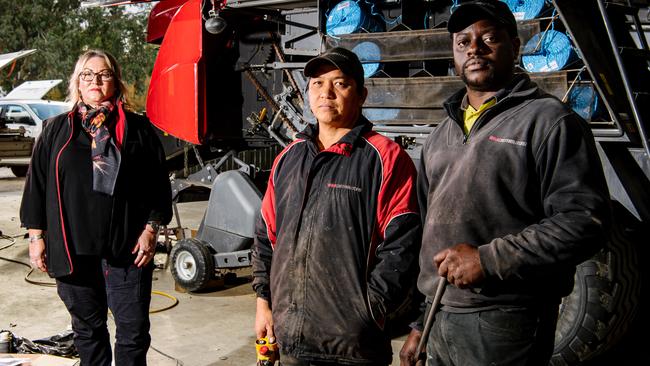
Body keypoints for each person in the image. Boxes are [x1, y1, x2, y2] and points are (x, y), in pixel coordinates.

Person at [399, 1, 612, 365]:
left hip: (507, 320)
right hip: (440, 317)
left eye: (489, 38)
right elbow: (427, 236)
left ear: (515, 47)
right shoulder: (441, 134)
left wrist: (487, 259)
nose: (475, 50)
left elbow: (585, 221)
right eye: (463, 42)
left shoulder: (549, 122)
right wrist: (421, 324)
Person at [252, 47, 422, 365]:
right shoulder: (288, 159)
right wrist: (264, 301)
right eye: (317, 83)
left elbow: (403, 248)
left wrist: (368, 312)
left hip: (354, 348)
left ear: (361, 94)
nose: (326, 92)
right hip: (291, 340)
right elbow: (266, 236)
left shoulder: (385, 158)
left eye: (340, 83)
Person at [20, 49, 172, 366]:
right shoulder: (54, 130)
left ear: (115, 81)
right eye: (87, 74)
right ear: (77, 82)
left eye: (103, 74)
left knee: (133, 333)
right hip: (73, 251)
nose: (95, 80)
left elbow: (158, 185)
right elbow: (37, 187)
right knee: (88, 333)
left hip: (128, 249)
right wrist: (36, 237)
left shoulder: (139, 129)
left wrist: (151, 229)